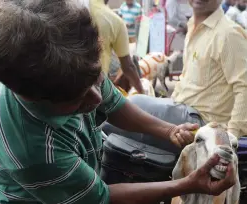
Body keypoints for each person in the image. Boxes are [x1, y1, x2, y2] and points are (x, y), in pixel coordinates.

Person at [0, 0, 236, 204]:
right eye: (79, 98)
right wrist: (186, 185)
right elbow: (101, 200)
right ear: (36, 98)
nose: (97, 98)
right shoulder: (33, 151)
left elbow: (113, 103)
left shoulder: (72, 64)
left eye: (97, 78)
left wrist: (168, 130)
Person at [104, 0, 247, 152]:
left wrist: (230, 138)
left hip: (202, 121)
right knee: (119, 110)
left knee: (129, 105)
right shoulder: (193, 26)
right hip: (182, 108)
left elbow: (243, 86)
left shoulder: (228, 34)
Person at [89, 0, 144, 94]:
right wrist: (142, 92)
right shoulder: (114, 20)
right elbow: (128, 66)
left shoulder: (72, 8)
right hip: (97, 88)